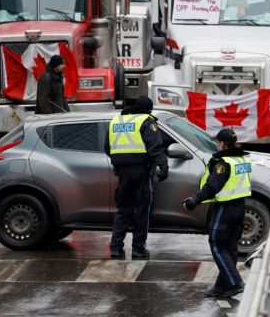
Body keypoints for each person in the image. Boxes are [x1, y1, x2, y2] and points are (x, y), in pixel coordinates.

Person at [182, 129, 251, 299]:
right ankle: (222, 287)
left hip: (225, 209)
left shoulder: (223, 163)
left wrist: (194, 200)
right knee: (230, 248)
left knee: (217, 244)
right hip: (240, 208)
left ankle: (235, 283)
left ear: (221, 143)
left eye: (217, 142)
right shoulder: (241, 159)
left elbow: (212, 187)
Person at [107, 96, 169, 260]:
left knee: (123, 210)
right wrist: (163, 165)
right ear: (149, 109)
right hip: (141, 171)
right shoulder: (147, 121)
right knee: (142, 211)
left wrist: (123, 160)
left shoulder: (116, 120)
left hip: (122, 172)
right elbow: (155, 146)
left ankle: (116, 248)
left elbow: (108, 147)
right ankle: (138, 249)